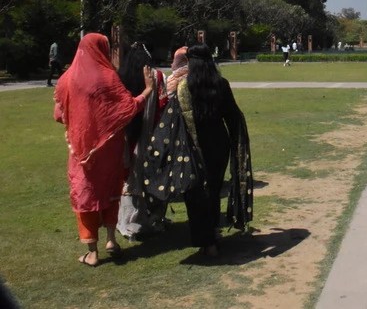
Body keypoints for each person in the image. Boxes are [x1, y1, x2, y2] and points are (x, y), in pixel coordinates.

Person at [140, 44, 253, 256]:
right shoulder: (221, 84)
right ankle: (213, 233)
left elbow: (172, 121)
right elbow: (233, 116)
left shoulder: (185, 87)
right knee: (213, 190)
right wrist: (236, 142)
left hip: (191, 147)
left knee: (195, 194)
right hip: (218, 146)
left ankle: (206, 241)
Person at [53, 33, 154, 267]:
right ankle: (111, 240)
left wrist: (82, 121)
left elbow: (58, 115)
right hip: (110, 149)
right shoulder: (109, 77)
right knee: (110, 191)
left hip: (81, 150)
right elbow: (128, 108)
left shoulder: (67, 79)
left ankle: (92, 252)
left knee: (85, 193)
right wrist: (147, 90)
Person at [116, 42, 169, 240]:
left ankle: (129, 221)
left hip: (128, 135)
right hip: (154, 135)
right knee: (156, 177)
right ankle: (154, 217)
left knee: (130, 179)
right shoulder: (157, 77)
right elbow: (163, 104)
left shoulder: (121, 77)